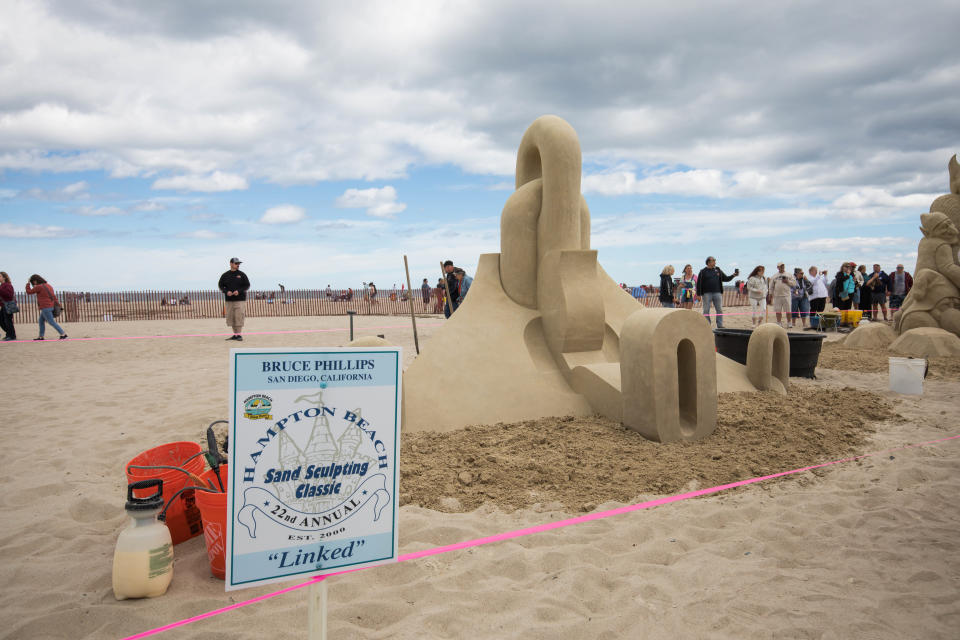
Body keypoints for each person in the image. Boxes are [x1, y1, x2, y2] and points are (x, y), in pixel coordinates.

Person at [696, 257, 739, 328]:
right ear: (708, 262)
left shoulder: (718, 270)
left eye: (715, 261)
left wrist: (733, 275)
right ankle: (707, 325)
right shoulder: (702, 271)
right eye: (713, 261)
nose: (715, 262)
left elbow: (726, 278)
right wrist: (698, 294)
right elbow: (699, 283)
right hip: (706, 293)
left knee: (719, 309)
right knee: (706, 310)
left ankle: (720, 325)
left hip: (717, 293)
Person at [25, 274, 67, 340]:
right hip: (51, 306)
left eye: (32, 283)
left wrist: (27, 283)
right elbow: (53, 296)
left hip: (45, 307)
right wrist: (58, 305)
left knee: (51, 322)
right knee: (41, 321)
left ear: (35, 281)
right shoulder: (49, 286)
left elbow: (29, 292)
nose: (33, 284)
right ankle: (41, 336)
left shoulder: (39, 287)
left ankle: (63, 334)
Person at [218, 257, 250, 341]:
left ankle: (239, 335)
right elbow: (220, 285)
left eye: (238, 263)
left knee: (239, 316)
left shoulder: (242, 274)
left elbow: (247, 285)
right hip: (229, 300)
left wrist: (238, 291)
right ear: (231, 264)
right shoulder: (225, 275)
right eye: (236, 263)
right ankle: (235, 335)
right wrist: (226, 291)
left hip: (240, 300)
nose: (238, 265)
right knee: (231, 317)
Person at [768, 263, 796, 328]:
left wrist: (787, 281)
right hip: (777, 296)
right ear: (778, 267)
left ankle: (789, 323)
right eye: (780, 266)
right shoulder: (774, 276)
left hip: (786, 295)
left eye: (783, 266)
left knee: (788, 310)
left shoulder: (789, 275)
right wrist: (770, 294)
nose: (782, 267)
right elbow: (771, 286)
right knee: (778, 310)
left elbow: (794, 283)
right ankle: (779, 322)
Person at [0, 271, 16, 340]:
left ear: (4, 277)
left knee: (8, 321)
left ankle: (12, 336)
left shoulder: (8, 285)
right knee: (1, 320)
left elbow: (9, 295)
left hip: (8, 305)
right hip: (3, 305)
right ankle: (9, 333)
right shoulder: (2, 285)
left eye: (0, 276)